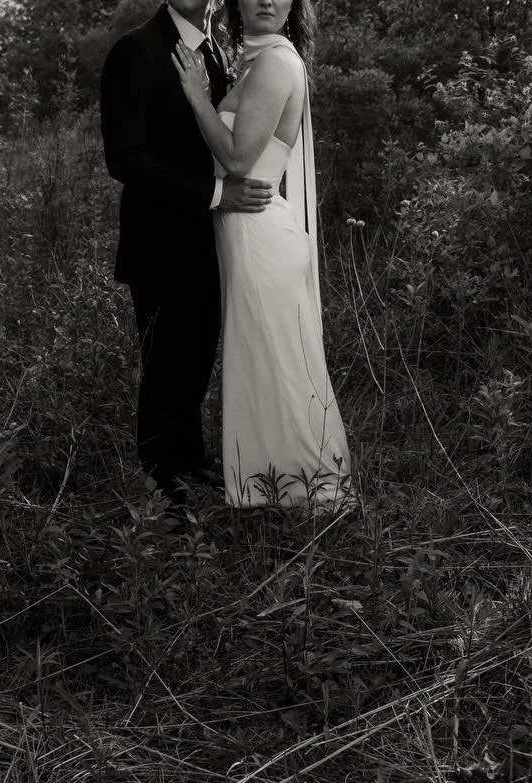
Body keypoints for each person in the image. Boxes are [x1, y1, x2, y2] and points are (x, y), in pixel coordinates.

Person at [171, 0, 353, 510]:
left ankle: (306, 491)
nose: (267, 0)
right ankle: (280, 490)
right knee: (269, 364)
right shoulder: (259, 59)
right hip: (248, 233)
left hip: (259, 238)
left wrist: (195, 94)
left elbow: (235, 158)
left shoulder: (275, 61)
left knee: (279, 366)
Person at [100, 0, 274, 519]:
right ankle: (161, 488)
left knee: (197, 359)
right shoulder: (134, 50)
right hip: (160, 243)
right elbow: (124, 158)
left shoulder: (220, 52)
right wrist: (216, 193)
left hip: (214, 241)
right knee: (165, 368)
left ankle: (190, 460)